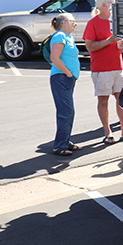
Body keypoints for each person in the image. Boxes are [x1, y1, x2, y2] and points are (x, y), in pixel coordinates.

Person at [84, 0, 123, 145]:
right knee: (103, 100)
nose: (115, 5)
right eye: (112, 2)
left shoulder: (116, 22)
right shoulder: (92, 23)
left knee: (121, 100)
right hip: (101, 69)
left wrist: (122, 46)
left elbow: (122, 44)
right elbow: (90, 47)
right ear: (104, 5)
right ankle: (107, 132)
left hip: (117, 67)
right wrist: (110, 41)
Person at [49, 13, 81, 156]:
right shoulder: (59, 36)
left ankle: (65, 141)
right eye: (73, 21)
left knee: (67, 112)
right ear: (64, 23)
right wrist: (68, 73)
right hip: (61, 78)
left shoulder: (67, 37)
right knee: (66, 112)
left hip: (66, 79)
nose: (75, 23)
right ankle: (60, 146)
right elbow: (54, 58)